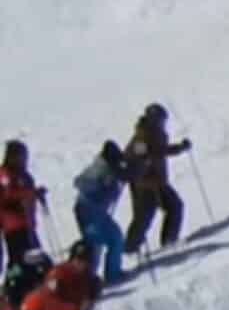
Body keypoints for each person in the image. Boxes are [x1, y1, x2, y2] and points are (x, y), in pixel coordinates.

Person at [124, 104, 192, 256]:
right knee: (144, 217)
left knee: (175, 207)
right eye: (160, 120)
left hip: (158, 182)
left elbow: (160, 151)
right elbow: (138, 157)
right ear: (153, 120)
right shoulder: (141, 137)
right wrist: (144, 166)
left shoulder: (156, 134)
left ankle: (169, 241)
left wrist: (179, 148)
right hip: (145, 185)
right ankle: (130, 250)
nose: (163, 124)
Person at [73, 141, 129, 284]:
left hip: (97, 212)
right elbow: (80, 183)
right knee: (100, 242)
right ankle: (91, 279)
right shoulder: (99, 169)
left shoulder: (108, 167)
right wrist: (104, 188)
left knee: (110, 239)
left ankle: (106, 275)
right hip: (88, 212)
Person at [0, 140, 49, 269]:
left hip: (27, 224)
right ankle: (13, 284)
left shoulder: (24, 175)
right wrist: (32, 193)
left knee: (35, 256)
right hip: (12, 224)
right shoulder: (5, 175)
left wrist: (37, 196)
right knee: (19, 258)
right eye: (21, 156)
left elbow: (27, 192)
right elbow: (10, 194)